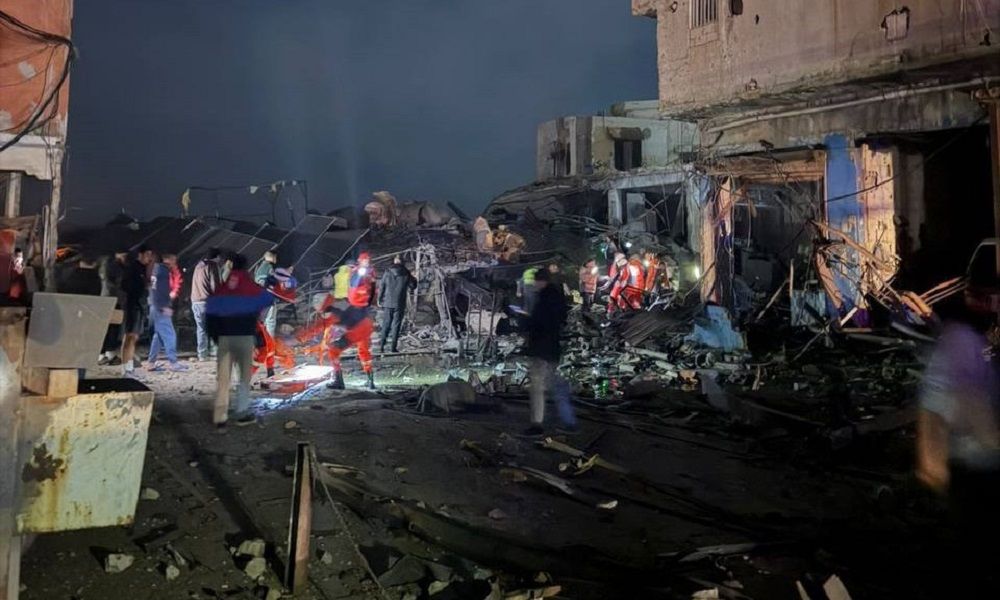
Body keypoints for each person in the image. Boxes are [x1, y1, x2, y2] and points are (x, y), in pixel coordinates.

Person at [916, 294, 1000, 592]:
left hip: (970, 462)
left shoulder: (965, 341)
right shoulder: (963, 342)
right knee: (975, 543)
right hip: (975, 462)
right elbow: (965, 403)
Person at [206, 253, 274, 427]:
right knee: (244, 378)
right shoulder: (249, 285)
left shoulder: (223, 287)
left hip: (224, 338)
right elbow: (268, 299)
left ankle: (220, 417)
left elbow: (210, 313)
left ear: (231, 266)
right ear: (245, 267)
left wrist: (215, 337)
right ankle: (242, 413)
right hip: (244, 337)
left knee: (223, 379)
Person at [523, 268, 572, 436]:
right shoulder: (556, 297)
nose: (534, 284)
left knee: (537, 387)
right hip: (551, 348)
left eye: (536, 281)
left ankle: (537, 424)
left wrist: (525, 322)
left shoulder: (545, 299)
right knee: (552, 384)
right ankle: (569, 421)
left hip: (541, 348)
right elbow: (561, 319)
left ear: (541, 281)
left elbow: (539, 323)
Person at [147, 252, 187, 372]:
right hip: (161, 307)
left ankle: (151, 363)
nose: (175, 264)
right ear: (168, 260)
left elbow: (154, 290)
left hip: (153, 306)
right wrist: (164, 306)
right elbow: (162, 291)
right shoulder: (164, 271)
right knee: (170, 334)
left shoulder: (155, 269)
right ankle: (173, 363)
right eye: (174, 261)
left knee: (159, 336)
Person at [119, 246, 153, 376]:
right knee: (130, 336)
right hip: (133, 306)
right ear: (140, 254)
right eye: (147, 254)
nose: (149, 258)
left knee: (134, 337)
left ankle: (129, 367)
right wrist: (143, 287)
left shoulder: (143, 269)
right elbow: (125, 285)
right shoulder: (133, 268)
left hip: (140, 306)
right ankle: (125, 369)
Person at [377, 255, 416, 353]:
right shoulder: (406, 273)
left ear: (395, 261)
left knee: (386, 324)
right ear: (403, 262)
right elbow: (413, 286)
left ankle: (381, 347)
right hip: (399, 303)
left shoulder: (387, 272)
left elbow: (382, 286)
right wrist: (412, 277)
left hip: (387, 302)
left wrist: (379, 299)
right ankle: (393, 348)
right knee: (396, 326)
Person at [190, 248, 222, 361]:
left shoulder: (198, 266)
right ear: (216, 257)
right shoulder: (212, 266)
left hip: (195, 301)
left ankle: (202, 354)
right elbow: (215, 286)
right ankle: (215, 352)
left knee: (201, 329)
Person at [99, 251, 128, 365]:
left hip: (109, 299)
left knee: (110, 327)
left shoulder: (109, 265)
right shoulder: (113, 266)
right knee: (110, 328)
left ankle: (106, 353)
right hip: (111, 299)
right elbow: (113, 284)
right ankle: (105, 353)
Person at [254, 250, 278, 336]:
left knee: (261, 321)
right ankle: (270, 341)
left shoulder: (258, 267)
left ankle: (262, 340)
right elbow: (271, 282)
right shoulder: (269, 267)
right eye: (275, 257)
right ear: (273, 257)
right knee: (270, 321)